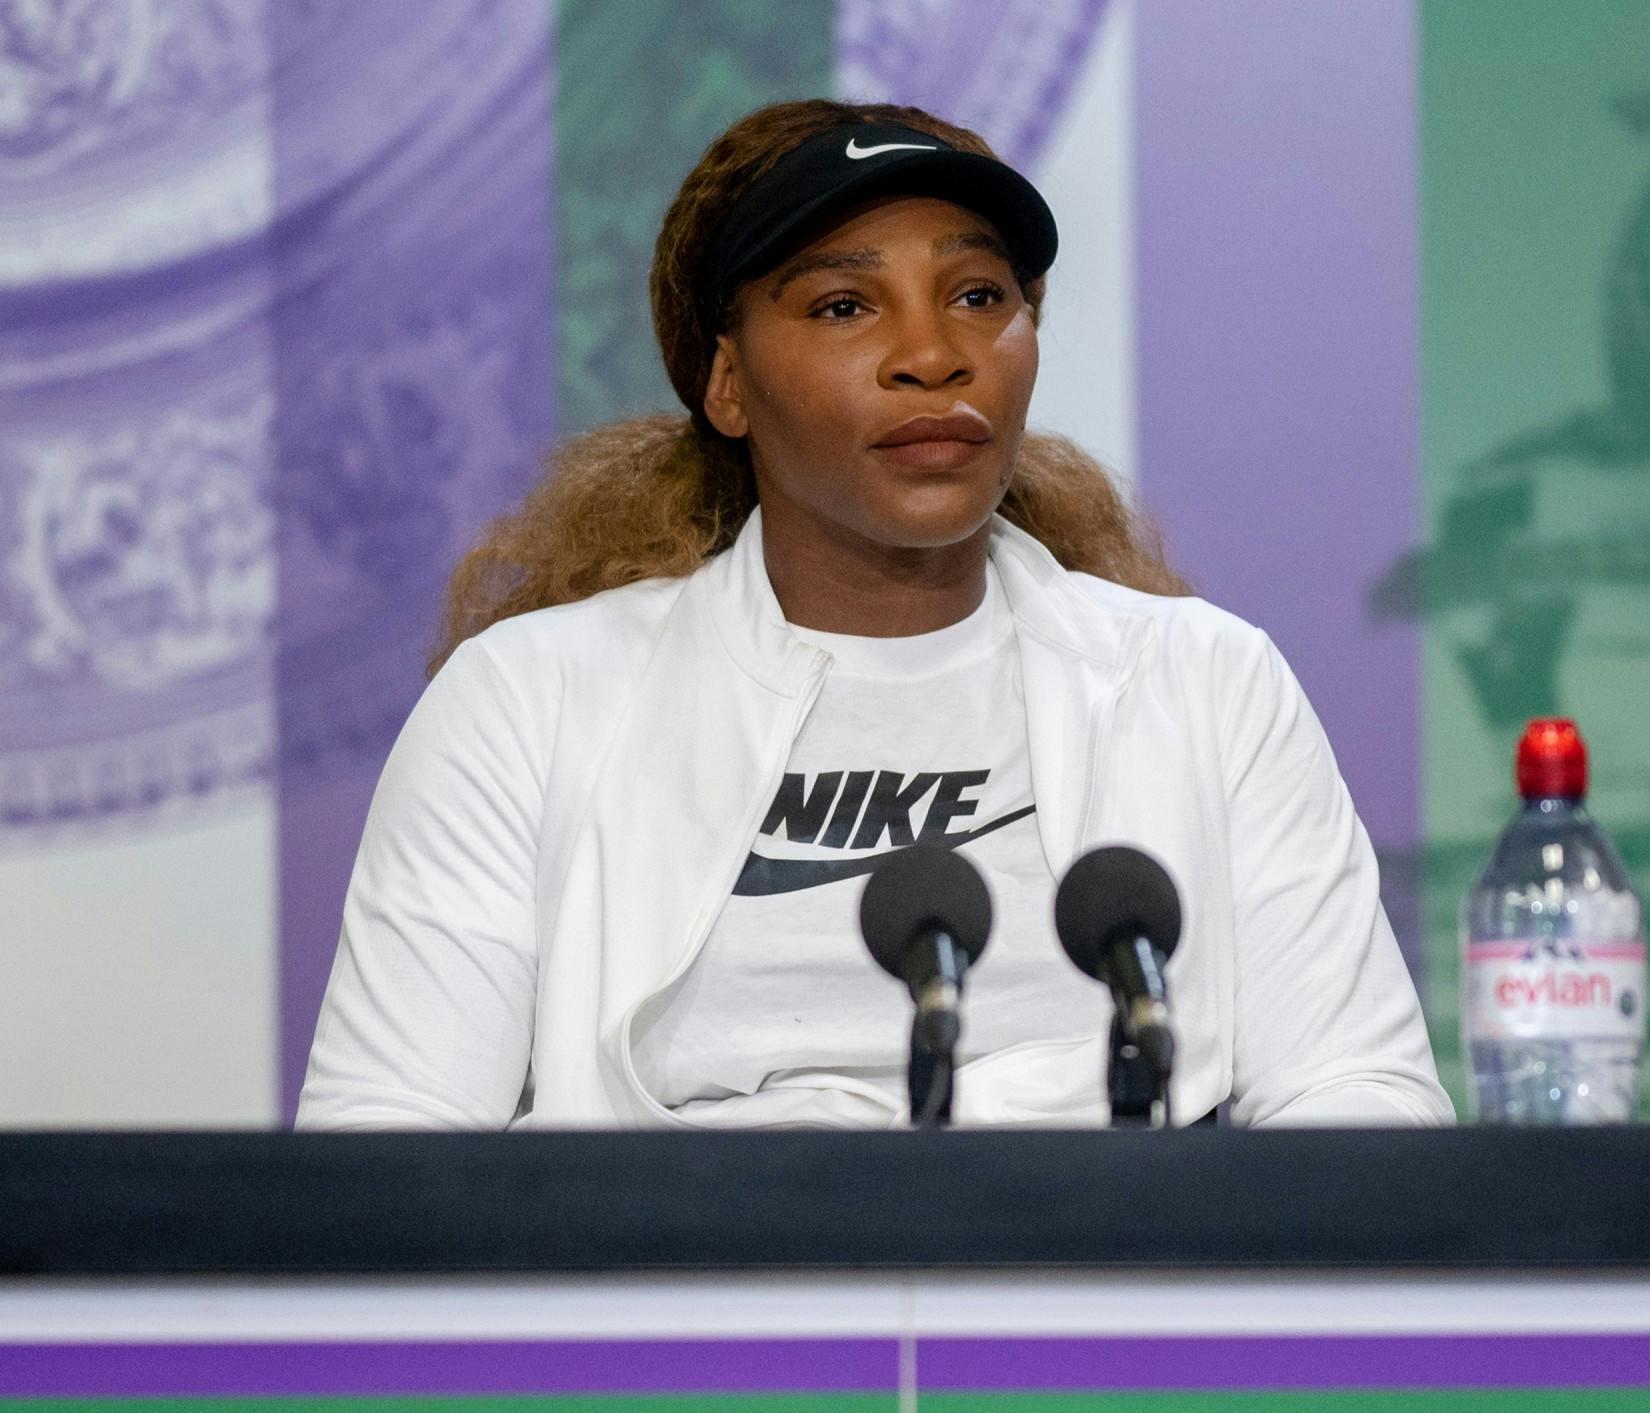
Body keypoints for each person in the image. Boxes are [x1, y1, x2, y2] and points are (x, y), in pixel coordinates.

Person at [295, 98, 1452, 1131]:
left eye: (978, 296)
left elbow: (1360, 1096)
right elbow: (385, 1147)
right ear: (727, 382)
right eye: (845, 304)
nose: (931, 355)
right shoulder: (528, 701)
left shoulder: (1204, 681)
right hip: (676, 1294)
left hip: (1099, 1288)